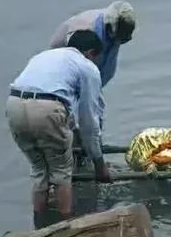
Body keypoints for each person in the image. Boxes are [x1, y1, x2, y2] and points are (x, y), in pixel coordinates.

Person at [6, 30, 111, 225]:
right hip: (47, 109)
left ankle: (39, 227)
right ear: (90, 53)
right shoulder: (86, 66)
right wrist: (99, 164)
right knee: (62, 172)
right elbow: (89, 120)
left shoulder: (43, 56)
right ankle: (64, 233)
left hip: (14, 105)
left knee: (39, 170)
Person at [49, 1, 136, 166]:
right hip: (66, 77)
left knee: (94, 118)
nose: (122, 42)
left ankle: (91, 152)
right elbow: (74, 70)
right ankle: (77, 158)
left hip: (94, 77)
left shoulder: (117, 25)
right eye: (119, 38)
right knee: (74, 121)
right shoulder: (86, 32)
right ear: (111, 28)